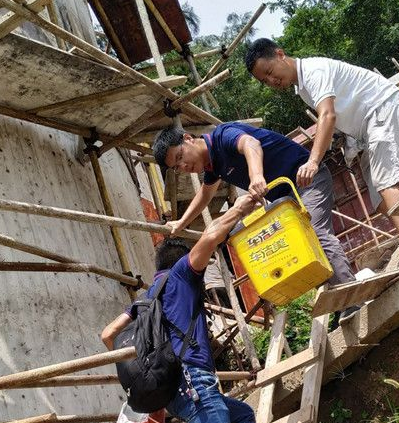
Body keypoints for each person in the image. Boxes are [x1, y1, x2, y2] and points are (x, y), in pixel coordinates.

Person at [245, 39, 399, 267]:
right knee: (380, 199)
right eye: (264, 80)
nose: (271, 81)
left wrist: (313, 161)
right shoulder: (304, 89)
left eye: (269, 72)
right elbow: (334, 117)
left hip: (383, 109)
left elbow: (327, 116)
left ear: (280, 54)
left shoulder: (313, 71)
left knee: (387, 183)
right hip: (369, 128)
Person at [101, 195, 265, 423]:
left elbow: (108, 334)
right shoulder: (181, 274)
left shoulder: (144, 300)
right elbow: (210, 237)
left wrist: (145, 372)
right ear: (182, 260)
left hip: (173, 396)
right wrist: (238, 209)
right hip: (194, 384)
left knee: (242, 414)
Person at [152, 122, 360, 323]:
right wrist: (180, 223)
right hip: (286, 198)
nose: (184, 166)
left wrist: (256, 177)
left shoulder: (222, 136)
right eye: (177, 166)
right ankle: (339, 305)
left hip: (307, 179)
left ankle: (352, 299)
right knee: (301, 251)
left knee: (314, 235)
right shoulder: (213, 166)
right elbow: (205, 195)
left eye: (180, 157)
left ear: (187, 139)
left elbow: (250, 144)